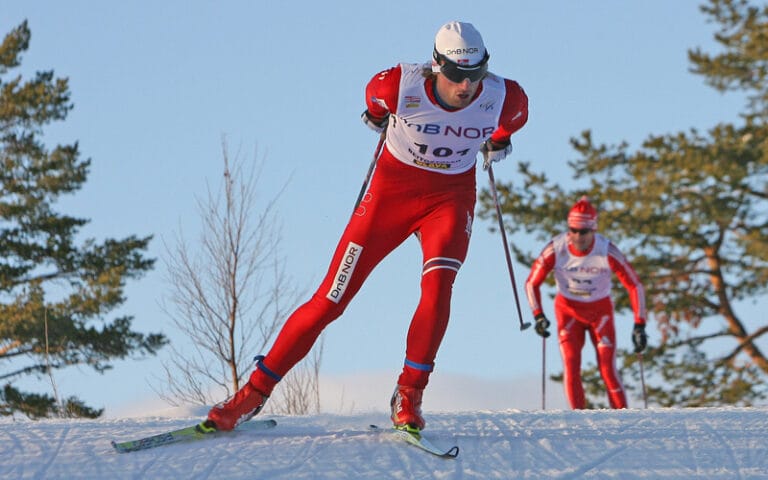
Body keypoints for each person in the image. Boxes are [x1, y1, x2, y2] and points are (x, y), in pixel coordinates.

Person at [203, 20, 528, 433]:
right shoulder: (398, 85)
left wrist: (497, 141)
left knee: (438, 285)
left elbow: (507, 124)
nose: (466, 86)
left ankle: (409, 392)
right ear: (435, 66)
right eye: (456, 75)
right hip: (391, 197)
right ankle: (251, 394)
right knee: (332, 298)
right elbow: (374, 104)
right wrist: (377, 118)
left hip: (450, 199)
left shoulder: (507, 97)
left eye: (475, 75)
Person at [525, 196, 647, 409]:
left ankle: (624, 419)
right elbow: (531, 283)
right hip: (568, 311)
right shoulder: (556, 248)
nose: (577, 236)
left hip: (600, 311)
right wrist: (538, 316)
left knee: (607, 368)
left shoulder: (606, 250)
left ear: (593, 230)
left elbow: (635, 285)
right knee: (571, 366)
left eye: (583, 231)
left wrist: (640, 324)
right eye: (573, 230)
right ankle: (579, 421)